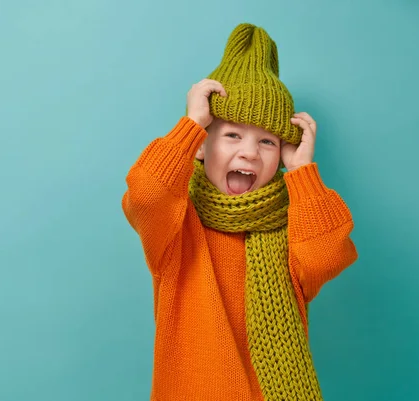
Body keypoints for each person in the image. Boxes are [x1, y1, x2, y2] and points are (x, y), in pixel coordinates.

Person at [121, 23, 358, 401]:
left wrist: (302, 174)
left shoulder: (291, 228)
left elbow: (329, 255)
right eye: (232, 135)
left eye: (267, 141)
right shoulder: (176, 226)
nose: (249, 152)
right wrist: (191, 126)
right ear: (202, 146)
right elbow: (146, 195)